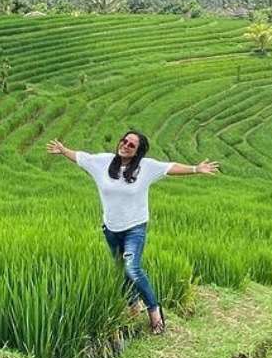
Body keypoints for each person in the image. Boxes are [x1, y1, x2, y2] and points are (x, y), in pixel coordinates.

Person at [46, 131, 219, 334]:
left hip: (135, 228)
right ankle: (132, 307)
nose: (125, 145)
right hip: (111, 229)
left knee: (132, 268)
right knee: (122, 271)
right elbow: (81, 157)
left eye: (131, 145)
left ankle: (154, 311)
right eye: (125, 141)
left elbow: (169, 167)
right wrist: (63, 150)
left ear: (138, 151)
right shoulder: (103, 162)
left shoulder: (145, 168)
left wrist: (195, 169)